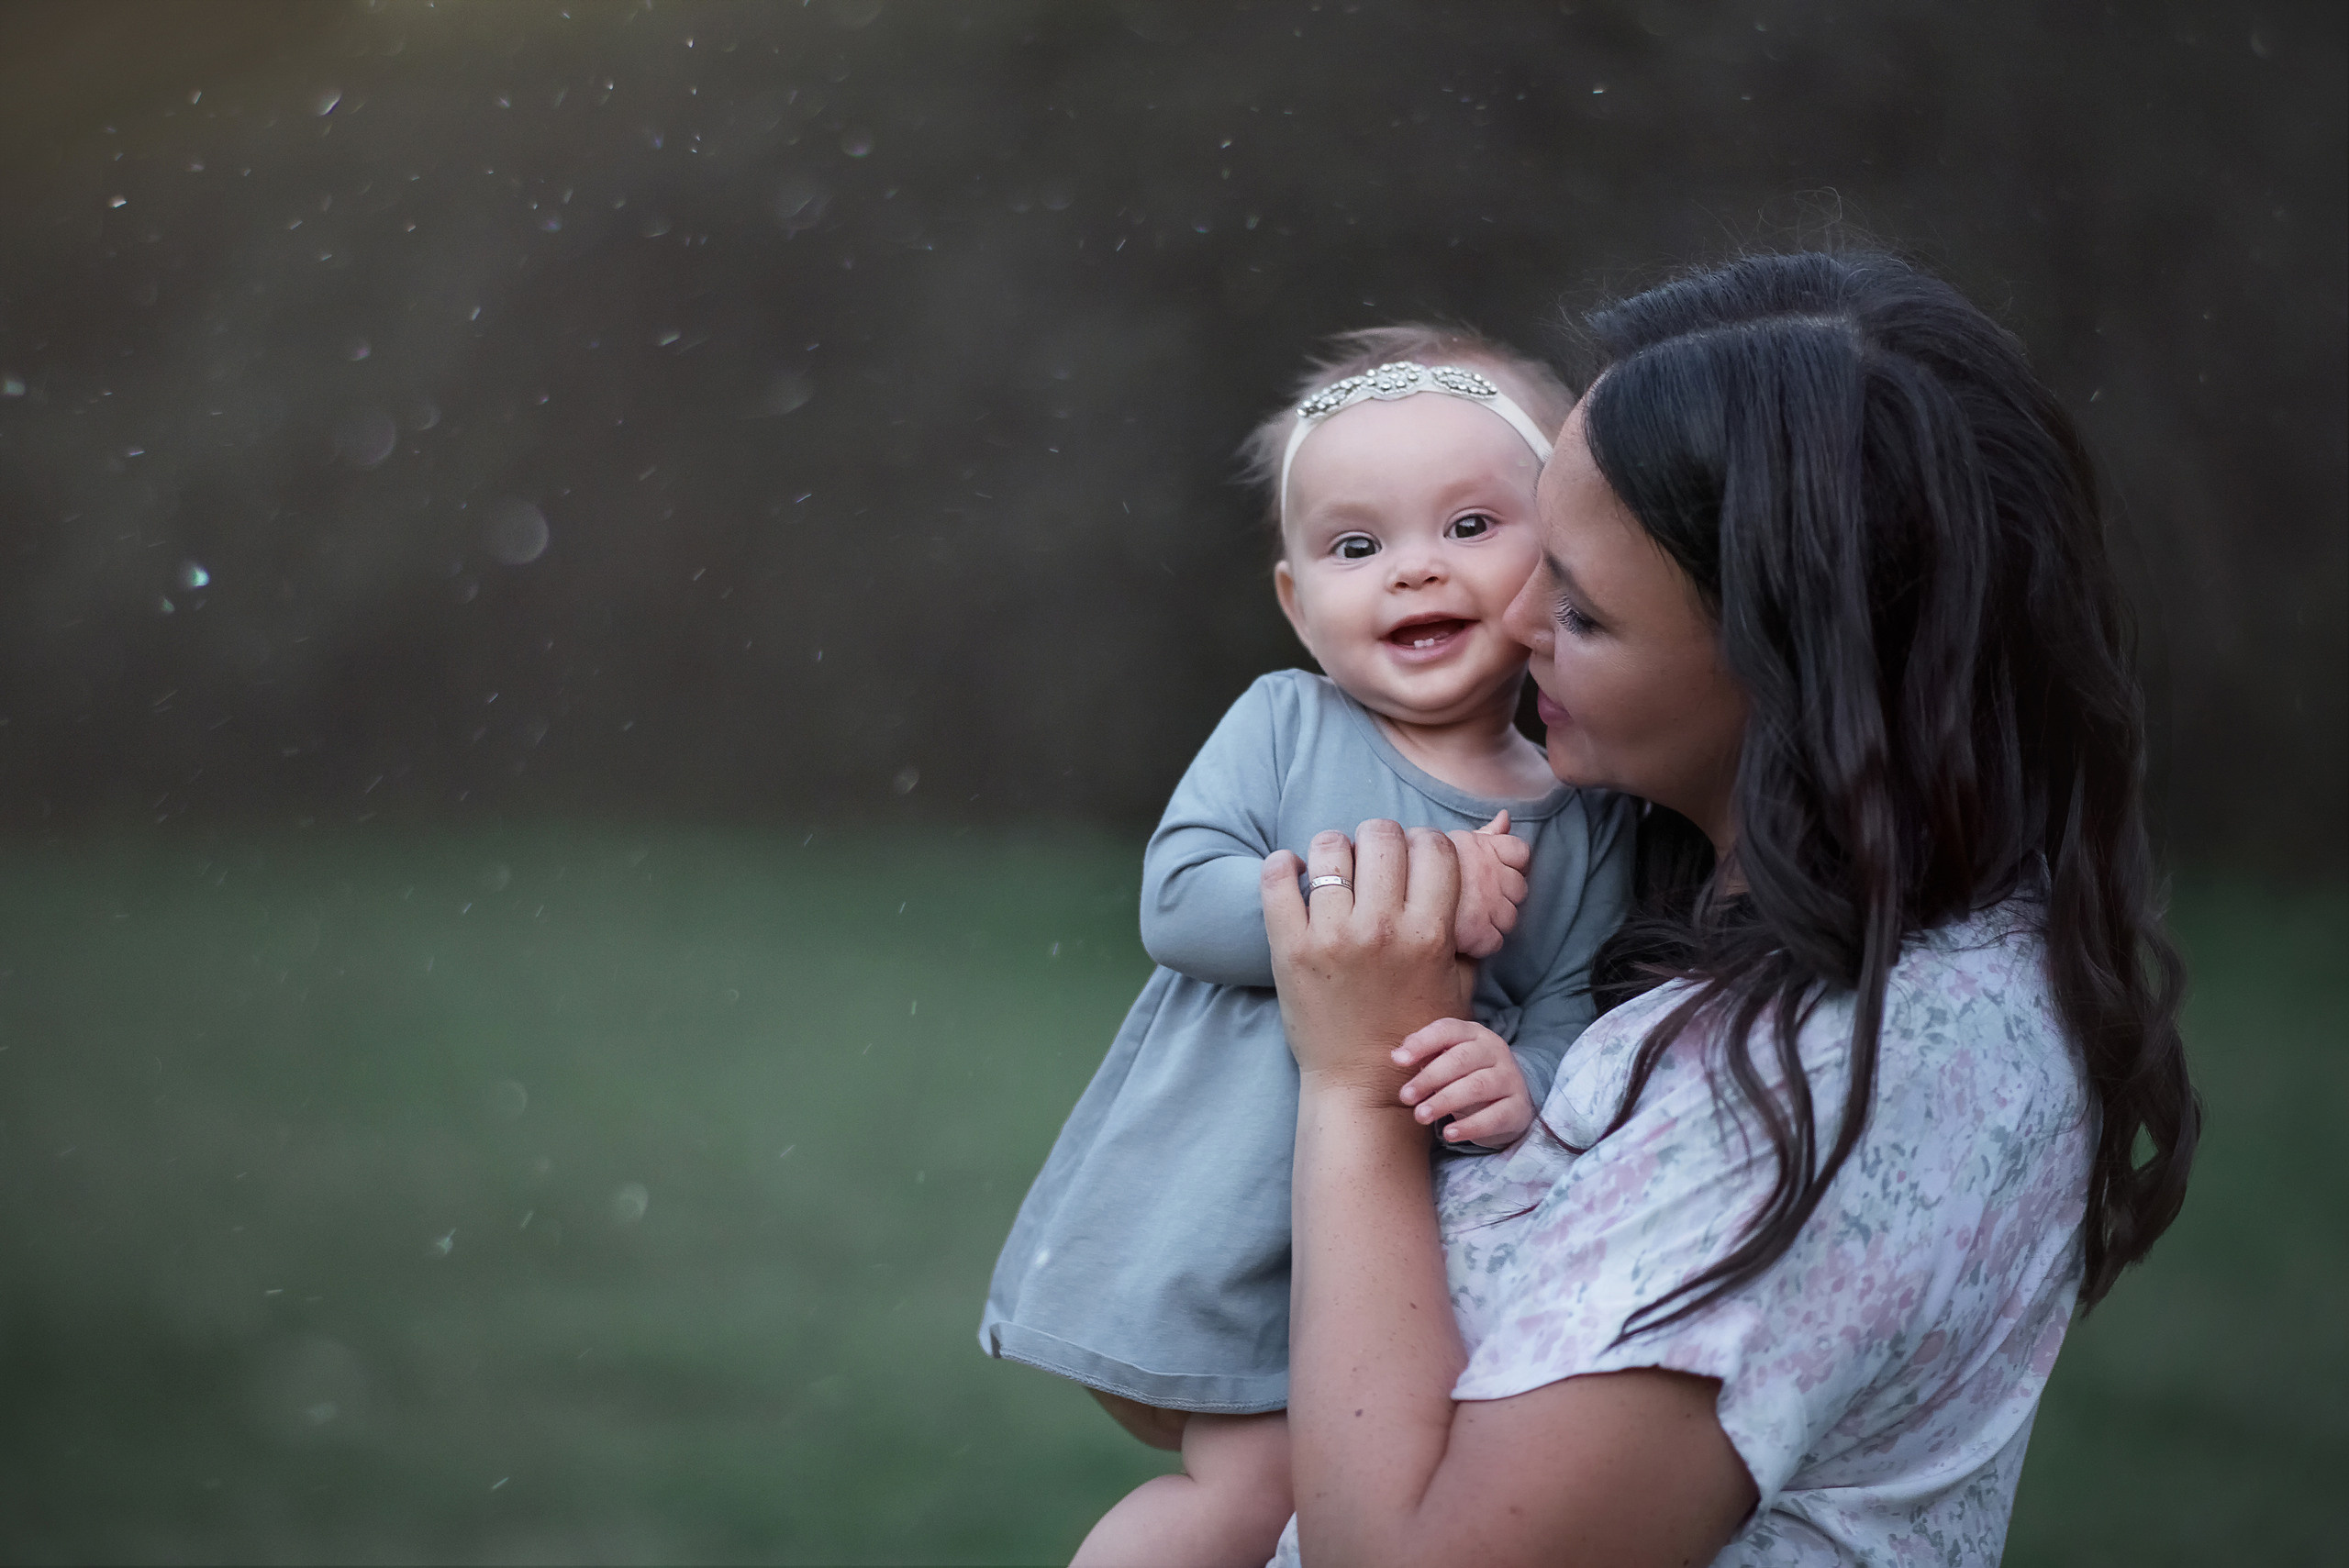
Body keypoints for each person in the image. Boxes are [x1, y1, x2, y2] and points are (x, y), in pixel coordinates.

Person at [1257, 251, 2199, 1566]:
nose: (1509, 614)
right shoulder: (1894, 954)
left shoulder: (1825, 1084)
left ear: (1791, 672)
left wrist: (1358, 1084)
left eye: (1581, 608)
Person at [979, 326, 1636, 1566]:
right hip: (1226, 1208)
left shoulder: (1589, 812)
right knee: (1255, 1496)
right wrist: (1405, 887)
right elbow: (1177, 899)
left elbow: (1574, 1007)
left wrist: (1525, 1075)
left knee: (1355, 1477)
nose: (1411, 571)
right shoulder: (1284, 726)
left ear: (1562, 559)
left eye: (1469, 526)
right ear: (1294, 597)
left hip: (1401, 1254)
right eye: (1355, 545)